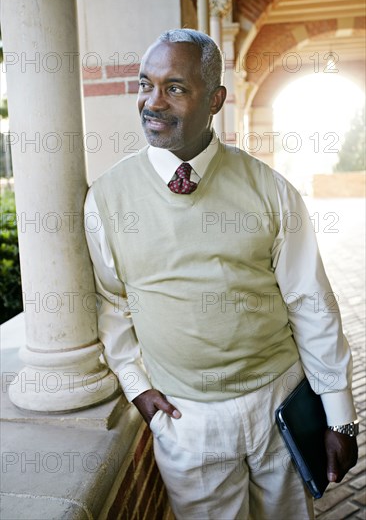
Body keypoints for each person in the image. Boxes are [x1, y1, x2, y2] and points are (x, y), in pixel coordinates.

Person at [84, 29, 358, 519]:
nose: (152, 102)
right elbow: (112, 301)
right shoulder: (106, 199)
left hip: (278, 404)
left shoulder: (271, 191)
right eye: (145, 84)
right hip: (186, 420)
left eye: (175, 88)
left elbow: (309, 302)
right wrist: (134, 382)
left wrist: (340, 418)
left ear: (215, 100)